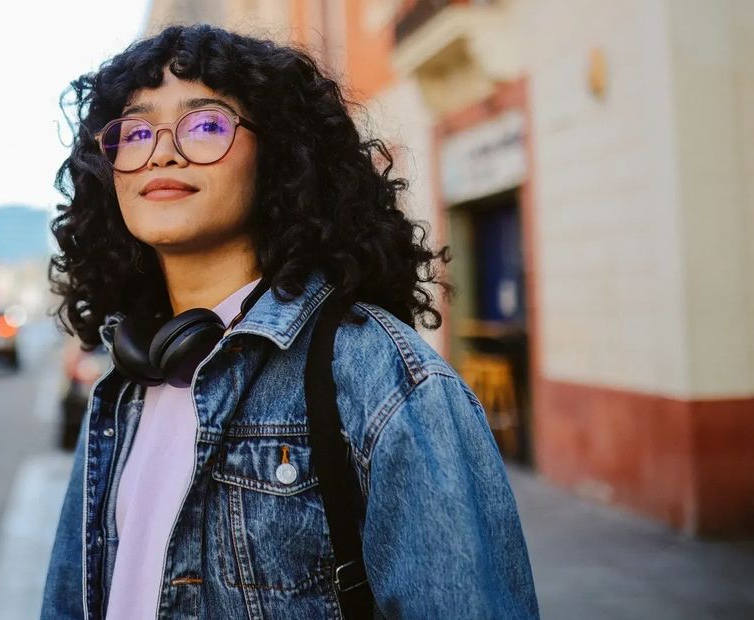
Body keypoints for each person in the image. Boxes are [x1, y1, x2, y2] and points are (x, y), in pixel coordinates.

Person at [41, 24, 538, 619]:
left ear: (278, 157)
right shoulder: (120, 392)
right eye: (137, 130)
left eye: (205, 125)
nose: (162, 152)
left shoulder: (385, 382)